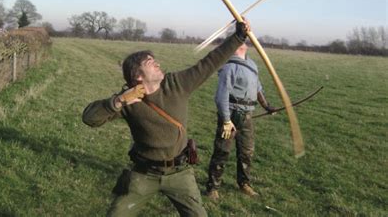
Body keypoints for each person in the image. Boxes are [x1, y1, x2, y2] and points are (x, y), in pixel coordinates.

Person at [82, 21, 250, 216]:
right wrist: (118, 101)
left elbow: (209, 63)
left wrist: (238, 36)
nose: (158, 64)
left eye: (155, 61)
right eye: (150, 63)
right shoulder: (128, 99)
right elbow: (89, 118)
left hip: (179, 173)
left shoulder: (177, 83)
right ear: (137, 76)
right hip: (144, 174)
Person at [205, 42, 275, 200]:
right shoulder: (228, 66)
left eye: (243, 40)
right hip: (230, 114)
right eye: (238, 40)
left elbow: (258, 88)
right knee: (222, 151)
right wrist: (226, 120)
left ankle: (244, 183)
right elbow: (221, 96)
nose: (242, 42)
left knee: (246, 152)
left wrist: (267, 106)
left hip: (247, 115)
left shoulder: (252, 65)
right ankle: (213, 187)